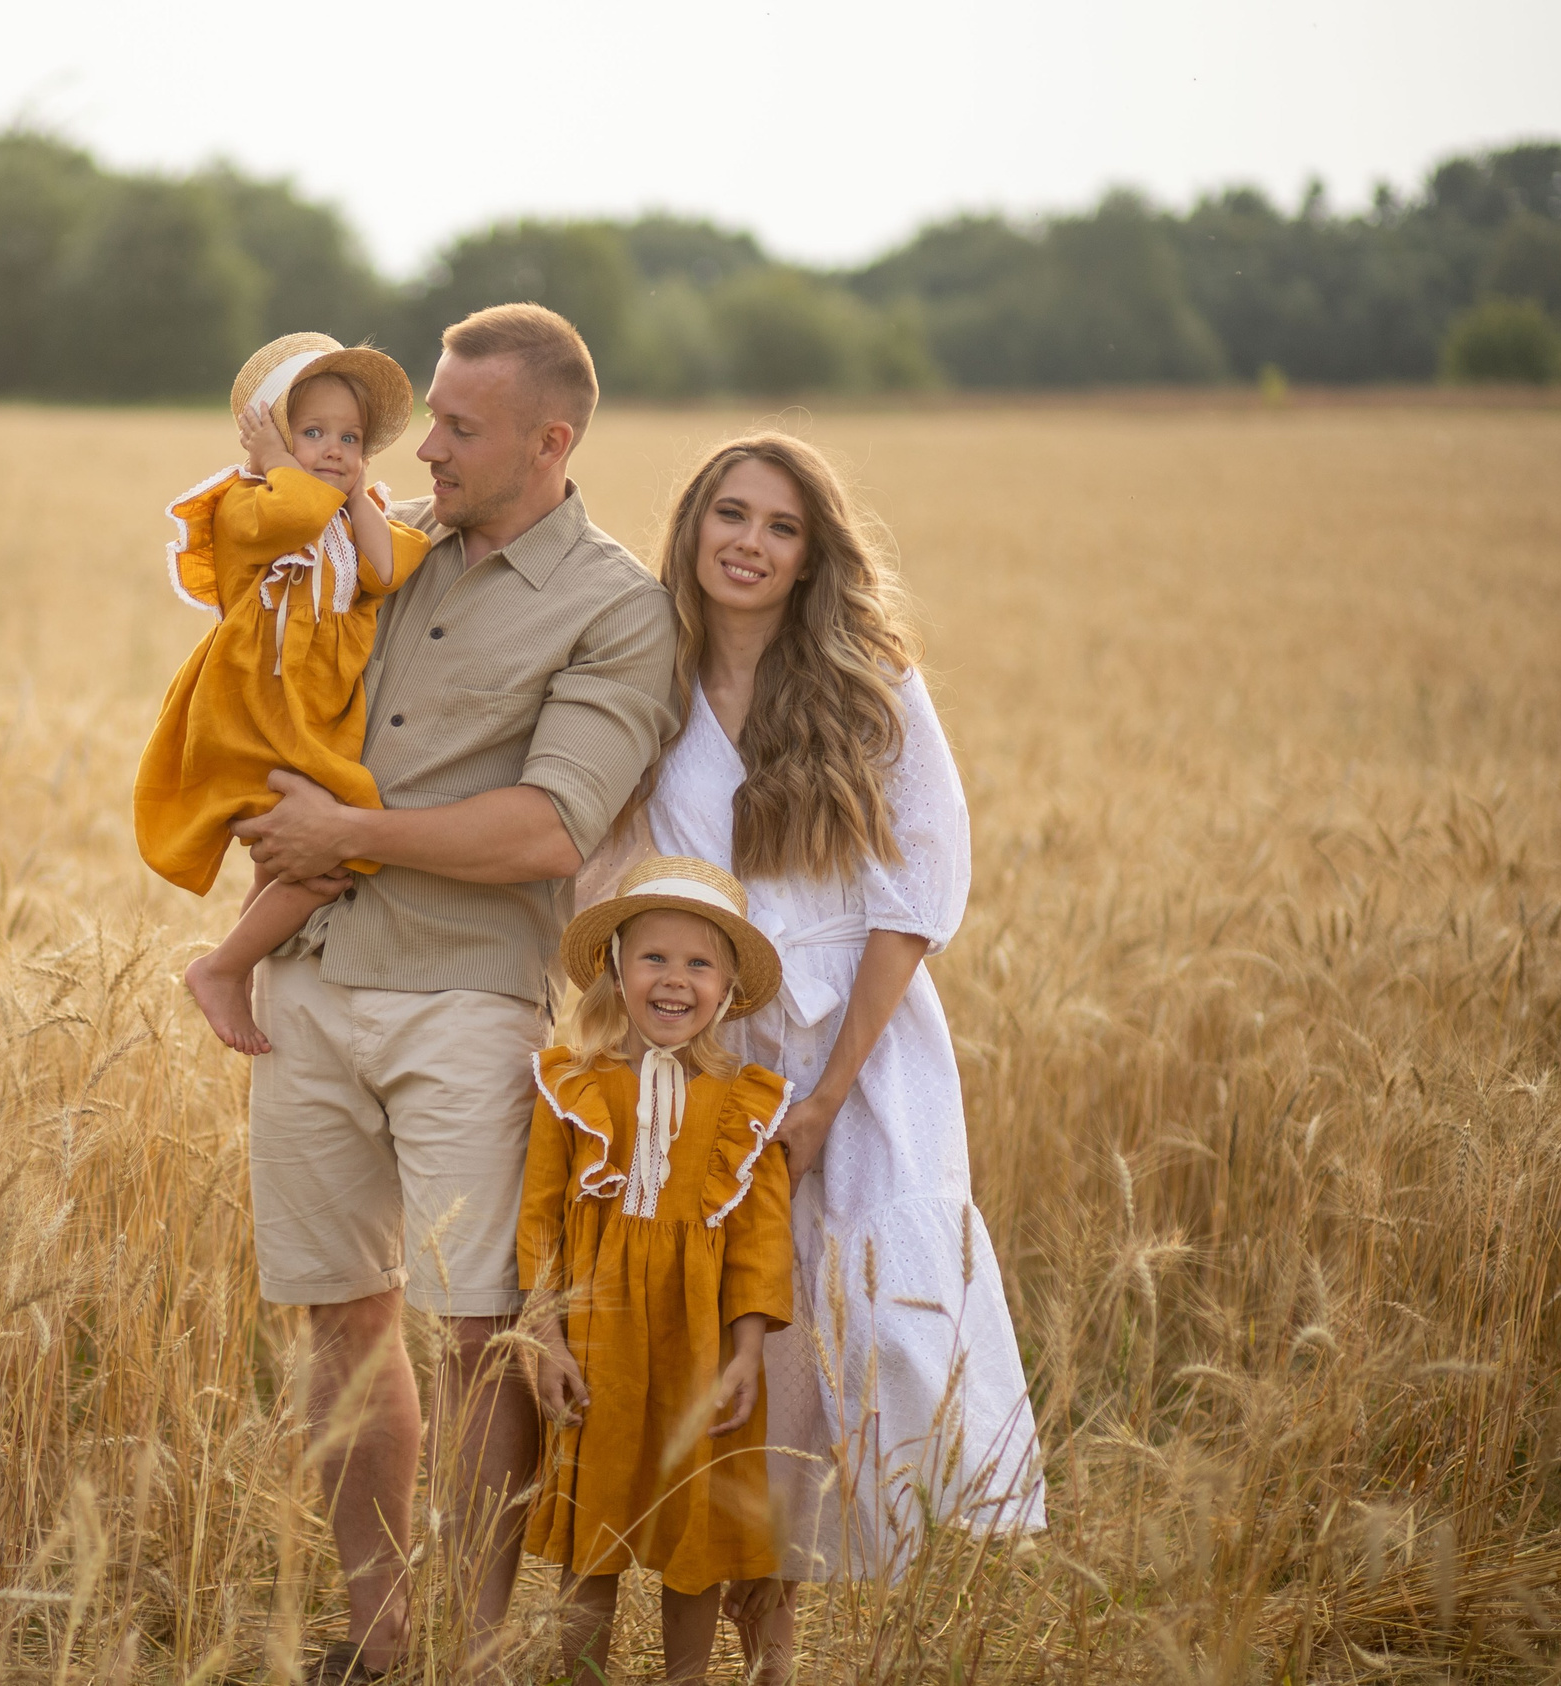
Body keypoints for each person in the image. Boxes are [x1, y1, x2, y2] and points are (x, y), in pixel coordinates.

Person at [226, 304, 680, 1684]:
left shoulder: (618, 608)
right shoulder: (388, 555)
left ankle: (475, 1656)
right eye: (428, 414)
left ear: (551, 442)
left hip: (467, 1004)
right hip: (308, 986)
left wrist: (345, 837)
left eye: (461, 427)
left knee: (484, 1330)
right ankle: (377, 1643)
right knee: (340, 1315)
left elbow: (550, 830)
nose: (426, 444)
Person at [637, 432, 1047, 1639]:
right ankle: (699, 1656)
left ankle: (808, 1648)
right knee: (740, 1365)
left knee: (856, 1331)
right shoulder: (650, 682)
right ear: (691, 528)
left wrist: (824, 1096)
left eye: (780, 525)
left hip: (857, 1059)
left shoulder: (869, 679)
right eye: (730, 514)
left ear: (813, 554)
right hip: (708, 1053)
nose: (748, 543)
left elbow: (915, 893)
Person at [518, 856, 797, 1685]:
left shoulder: (748, 1102)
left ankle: (686, 1678)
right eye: (654, 959)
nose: (675, 981)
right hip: (600, 1338)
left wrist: (747, 1354)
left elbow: (759, 1245)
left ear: (728, 987)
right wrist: (547, 1340)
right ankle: (582, 1677)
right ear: (615, 968)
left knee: (698, 1536)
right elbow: (539, 1224)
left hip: (702, 1349)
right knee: (592, 1534)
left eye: (699, 964)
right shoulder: (572, 1086)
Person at [135, 332, 435, 1055]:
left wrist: (356, 492)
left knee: (284, 858)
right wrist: (273, 464)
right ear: (268, 433)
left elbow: (388, 568)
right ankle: (223, 966)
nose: (334, 449)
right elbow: (291, 515)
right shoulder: (245, 507)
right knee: (332, 857)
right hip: (256, 713)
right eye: (312, 433)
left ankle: (236, 968)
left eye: (351, 438)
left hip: (317, 714)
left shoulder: (340, 514)